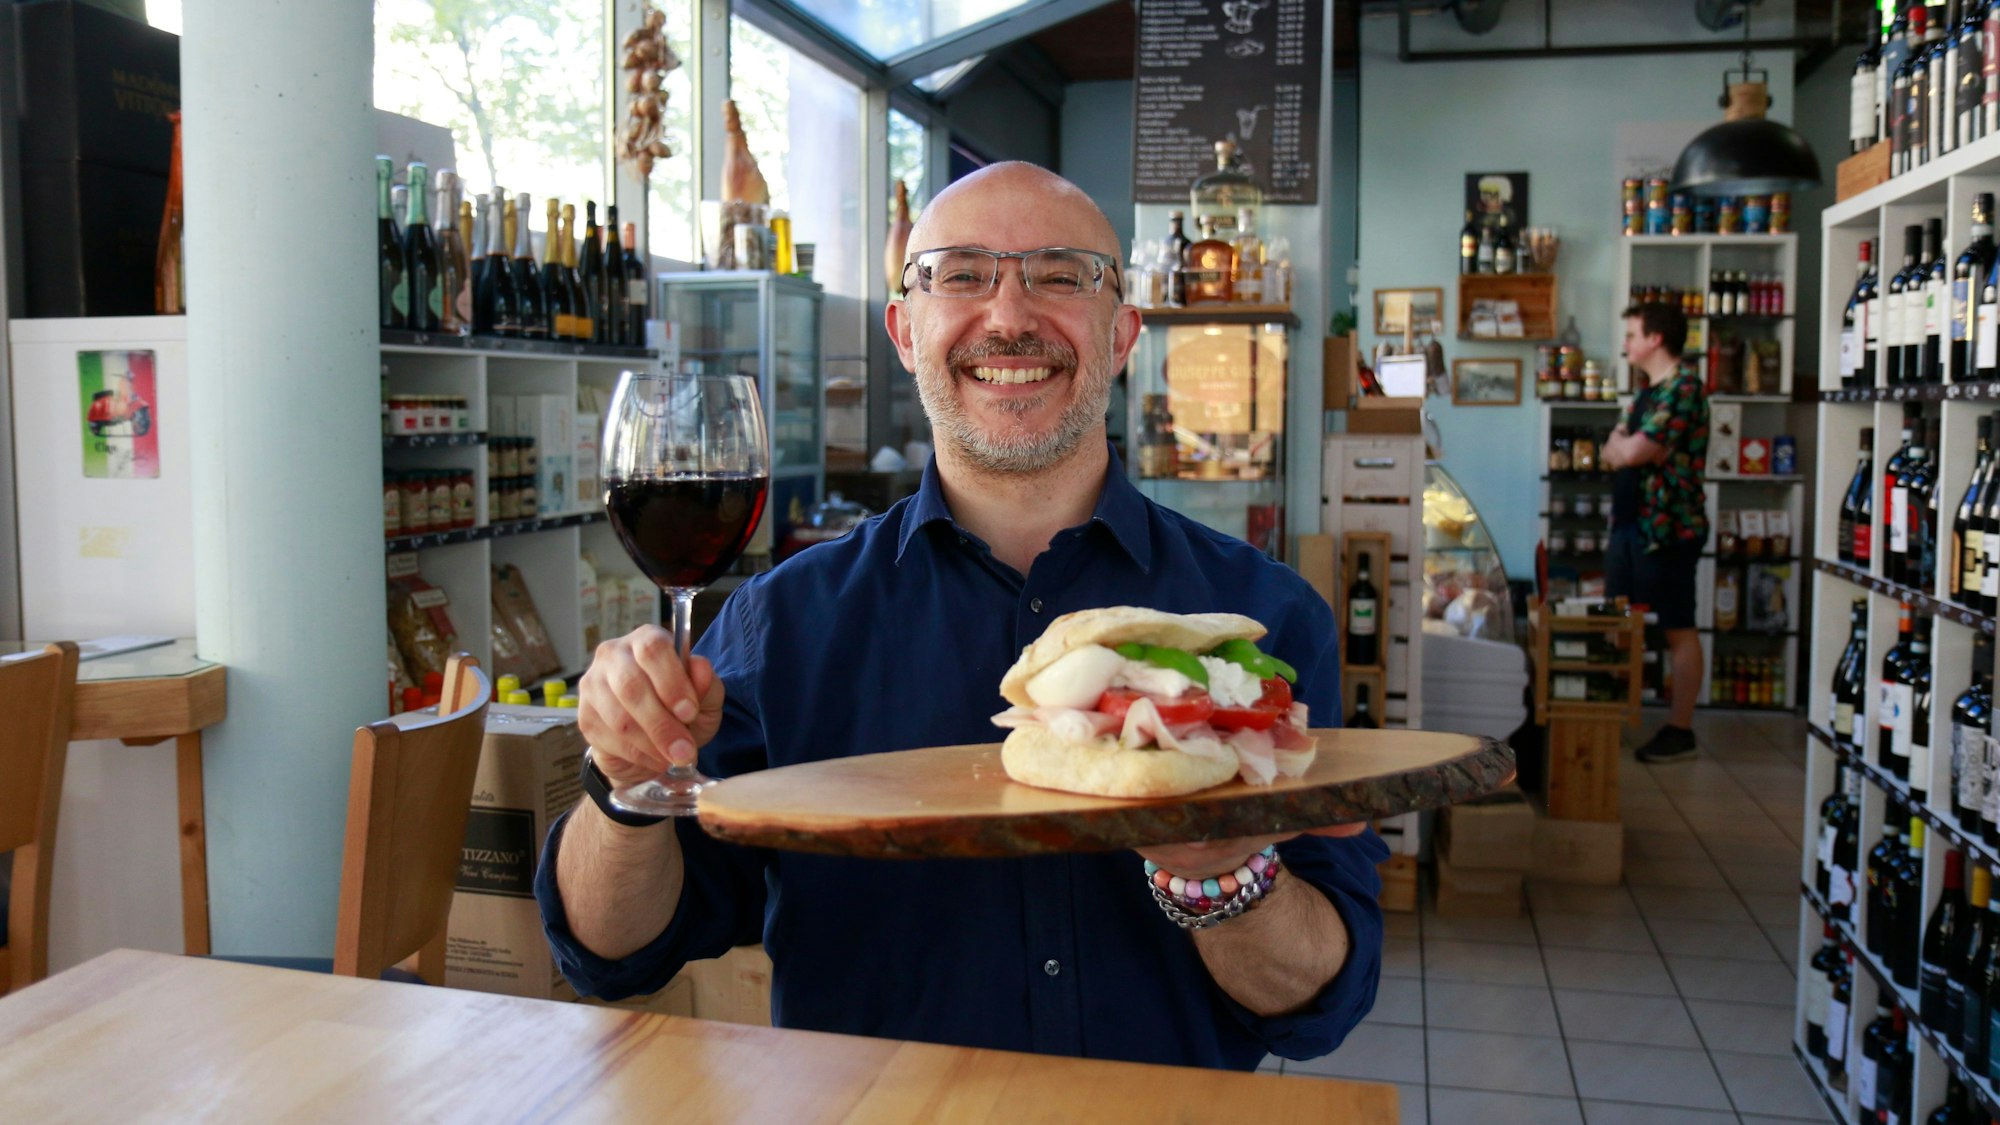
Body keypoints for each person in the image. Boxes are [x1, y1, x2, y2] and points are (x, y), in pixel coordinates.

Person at [534, 162, 1385, 1070]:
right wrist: (623, 781)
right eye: (961, 274)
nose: (1010, 315)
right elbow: (614, 952)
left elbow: (1316, 1000)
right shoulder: (782, 623)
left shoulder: (1260, 621)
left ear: (1123, 332)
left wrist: (1222, 875)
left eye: (1060, 275)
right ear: (905, 330)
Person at [1602, 301, 1710, 763]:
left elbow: (1628, 451)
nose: (1625, 343)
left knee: (1677, 628)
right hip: (1630, 524)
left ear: (1655, 339)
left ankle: (1679, 728)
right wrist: (1632, 448)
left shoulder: (1683, 388)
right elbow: (1612, 448)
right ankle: (1606, 716)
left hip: (1666, 531)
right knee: (1615, 620)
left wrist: (1631, 448)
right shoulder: (1647, 390)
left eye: (1631, 335)